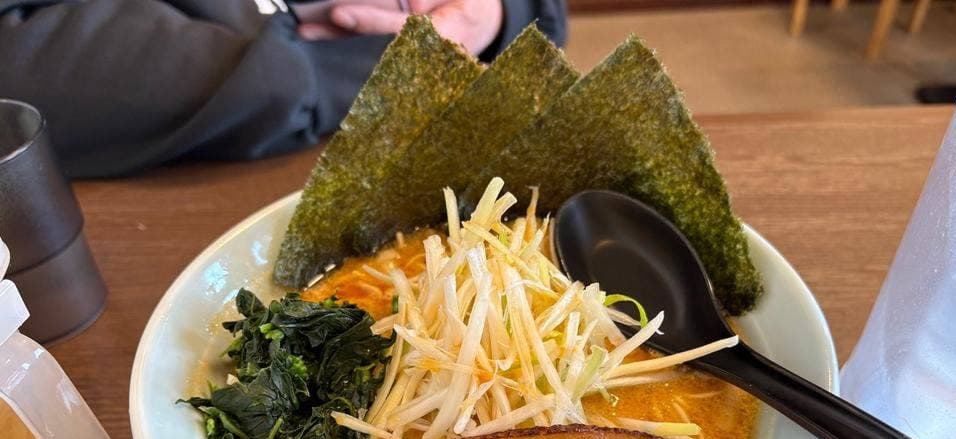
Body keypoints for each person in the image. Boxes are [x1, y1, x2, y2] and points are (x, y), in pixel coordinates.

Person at [0, 0, 566, 178]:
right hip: (222, 171)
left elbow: (539, 20)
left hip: (461, 100)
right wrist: (334, 69)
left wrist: (494, 13)